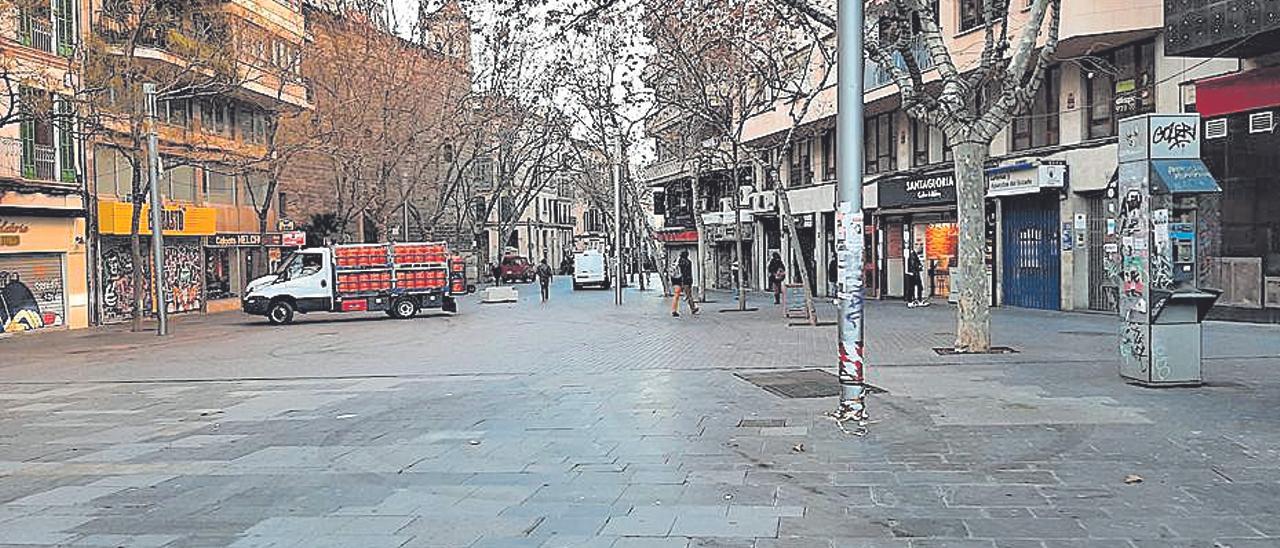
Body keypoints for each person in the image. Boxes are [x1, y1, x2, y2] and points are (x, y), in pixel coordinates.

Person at [671, 250, 700, 317]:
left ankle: (674, 310)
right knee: (689, 295)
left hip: (676, 280)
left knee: (676, 296)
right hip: (685, 281)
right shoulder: (688, 262)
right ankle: (693, 308)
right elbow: (688, 273)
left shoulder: (677, 261)